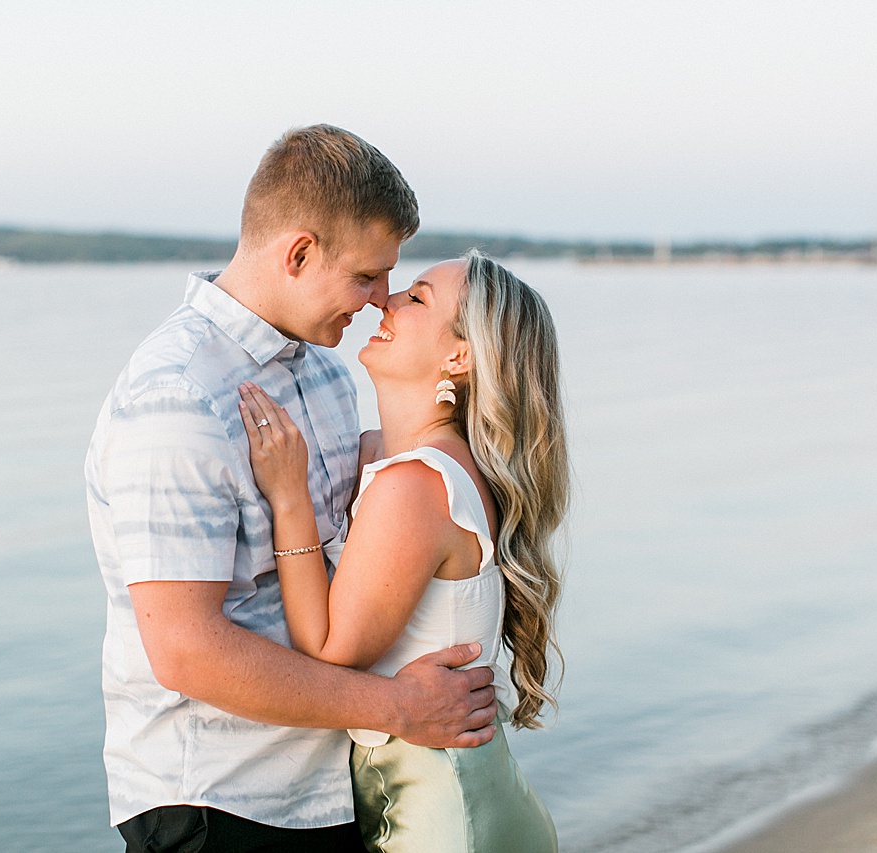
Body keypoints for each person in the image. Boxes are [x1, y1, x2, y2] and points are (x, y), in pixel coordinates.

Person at [84, 125, 499, 853]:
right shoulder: (177, 396)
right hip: (222, 808)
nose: (379, 301)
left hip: (338, 794)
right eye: (368, 275)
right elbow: (185, 650)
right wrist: (401, 706)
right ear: (300, 252)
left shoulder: (331, 377)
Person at [238, 250, 568, 852]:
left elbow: (329, 649)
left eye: (416, 298)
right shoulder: (428, 468)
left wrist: (290, 499)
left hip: (442, 822)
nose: (385, 301)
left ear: (459, 357)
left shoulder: (415, 486)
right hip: (470, 799)